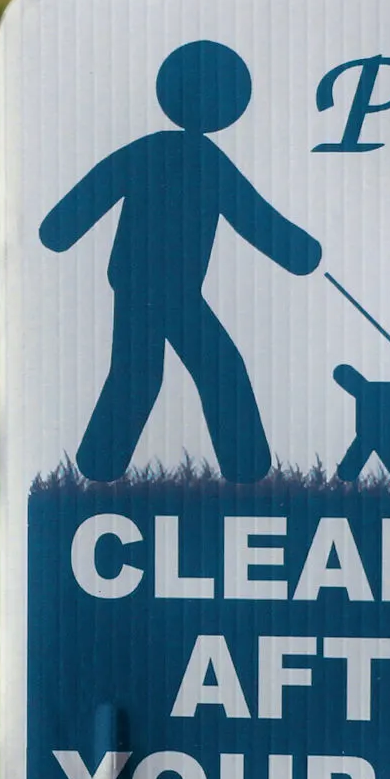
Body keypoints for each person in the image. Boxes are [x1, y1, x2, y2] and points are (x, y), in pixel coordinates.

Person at [39, 40, 322, 485]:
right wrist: (300, 252)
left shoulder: (156, 152)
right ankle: (244, 469)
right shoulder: (204, 161)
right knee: (213, 368)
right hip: (162, 287)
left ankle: (100, 465)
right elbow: (256, 219)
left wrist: (300, 253)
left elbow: (254, 218)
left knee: (143, 373)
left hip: (148, 283)